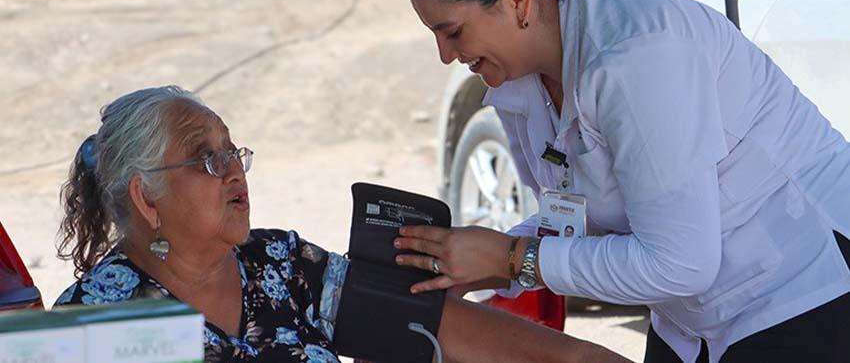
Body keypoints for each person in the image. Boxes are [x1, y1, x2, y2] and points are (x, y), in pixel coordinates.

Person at [395, 0, 850, 362]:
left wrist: (510, 258)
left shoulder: (637, 58)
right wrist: (471, 263)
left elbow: (680, 263)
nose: (445, 55)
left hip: (803, 286)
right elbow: (575, 218)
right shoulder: (518, 77)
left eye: (453, 32)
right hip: (694, 316)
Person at [54, 85, 630, 363]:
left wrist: (580, 358)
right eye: (208, 159)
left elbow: (435, 325)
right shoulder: (93, 326)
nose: (235, 172)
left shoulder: (277, 264)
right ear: (147, 199)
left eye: (235, 152)